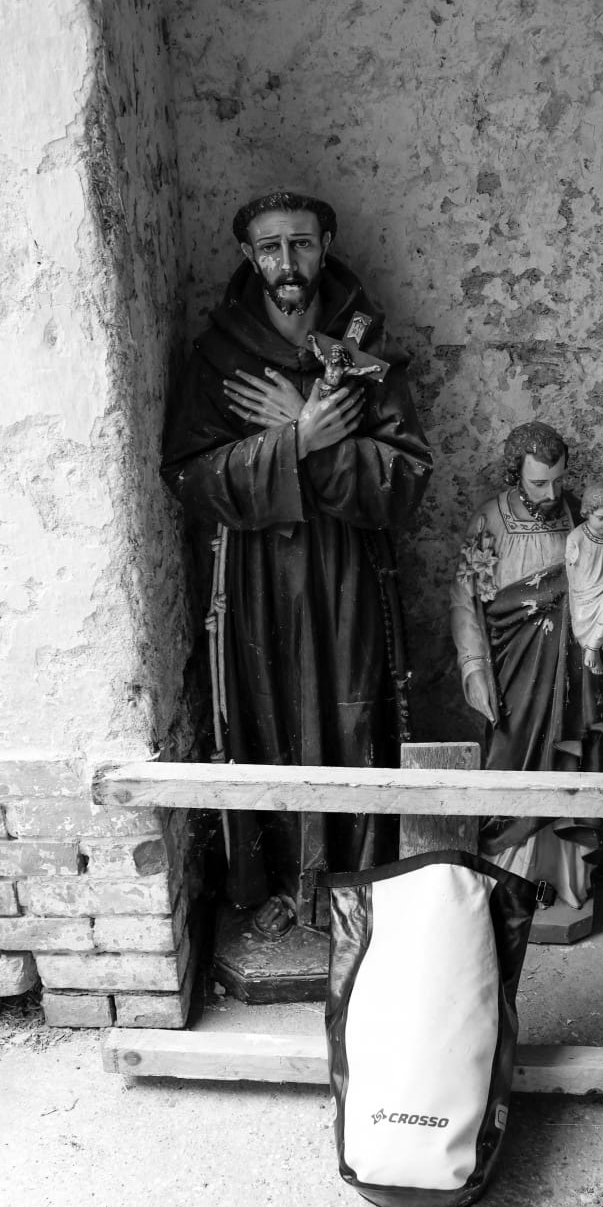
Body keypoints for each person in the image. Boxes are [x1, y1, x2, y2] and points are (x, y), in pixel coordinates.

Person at [162, 188, 432, 939]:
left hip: (348, 568)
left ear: (326, 246)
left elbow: (407, 478)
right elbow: (190, 476)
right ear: (249, 256)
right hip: (258, 576)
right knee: (270, 714)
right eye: (271, 246)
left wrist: (319, 442)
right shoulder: (219, 357)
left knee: (353, 709)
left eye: (302, 243)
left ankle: (358, 882)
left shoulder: (365, 351)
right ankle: (286, 882)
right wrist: (297, 439)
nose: (288, 261)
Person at [450, 422, 603, 911]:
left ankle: (560, 876)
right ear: (516, 475)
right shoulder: (490, 520)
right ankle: (507, 880)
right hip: (515, 671)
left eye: (559, 480)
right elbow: (466, 599)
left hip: (574, 672)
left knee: (568, 763)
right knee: (511, 760)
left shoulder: (580, 515)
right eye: (538, 483)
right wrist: (474, 666)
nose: (552, 494)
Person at [565, 481, 603, 677]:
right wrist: (584, 595)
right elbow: (572, 575)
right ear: (587, 512)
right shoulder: (577, 539)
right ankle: (592, 648)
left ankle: (593, 649)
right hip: (584, 595)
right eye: (601, 518)